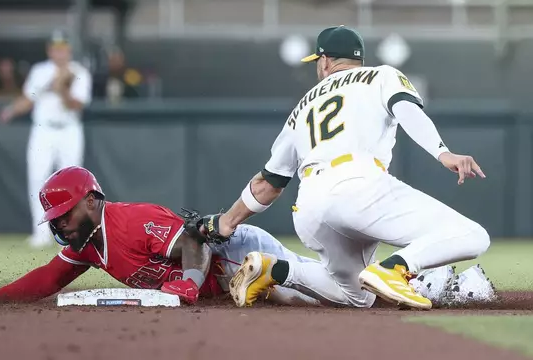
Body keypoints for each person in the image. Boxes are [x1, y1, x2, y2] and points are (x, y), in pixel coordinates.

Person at [198, 25, 490, 310]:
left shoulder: (302, 107)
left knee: (358, 297)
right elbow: (407, 109)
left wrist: (227, 222)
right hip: (359, 186)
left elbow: (269, 183)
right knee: (472, 235)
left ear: (324, 61)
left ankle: (275, 271)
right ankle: (395, 267)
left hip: (310, 207)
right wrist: (443, 153)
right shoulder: (381, 75)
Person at [0, 166, 493, 308]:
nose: (58, 221)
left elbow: (194, 245)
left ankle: (457, 283)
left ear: (90, 200)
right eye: (55, 215)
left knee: (349, 297)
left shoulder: (124, 220)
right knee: (331, 288)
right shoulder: (86, 244)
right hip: (225, 279)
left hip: (238, 256)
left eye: (63, 211)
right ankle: (445, 277)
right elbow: (45, 281)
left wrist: (187, 282)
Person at [0, 30, 93, 249]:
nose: (59, 52)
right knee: (38, 179)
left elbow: (78, 105)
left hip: (69, 129)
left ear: (68, 50)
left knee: (72, 182)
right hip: (43, 129)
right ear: (50, 50)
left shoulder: (79, 72)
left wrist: (63, 90)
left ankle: (71, 233)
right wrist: (10, 111)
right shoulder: (40, 71)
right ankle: (40, 233)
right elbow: (28, 99)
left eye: (63, 48)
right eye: (55, 48)